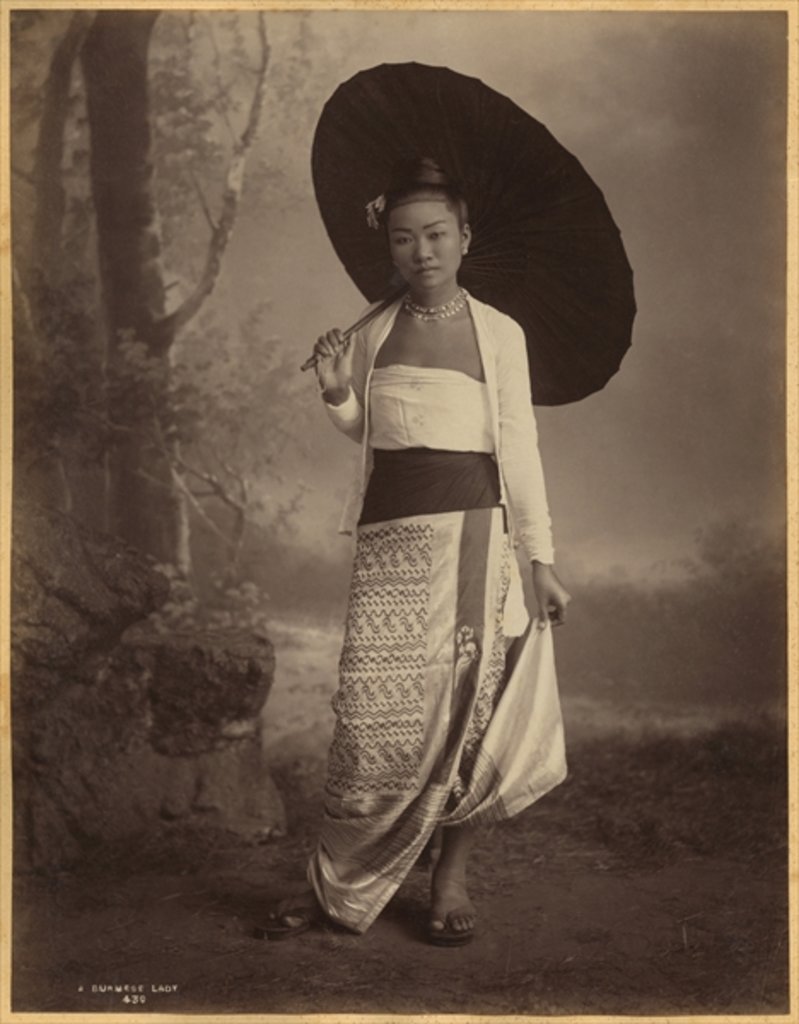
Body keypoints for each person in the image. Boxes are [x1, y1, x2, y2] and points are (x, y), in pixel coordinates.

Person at [264, 157, 571, 946]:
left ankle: (449, 878)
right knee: (370, 721)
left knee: (469, 712)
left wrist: (539, 561)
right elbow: (368, 431)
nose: (421, 252)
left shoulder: (499, 334)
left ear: (464, 238)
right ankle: (337, 882)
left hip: (474, 539)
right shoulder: (372, 329)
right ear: (389, 246)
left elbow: (520, 451)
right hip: (388, 539)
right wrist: (336, 387)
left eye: (436, 234)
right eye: (404, 238)